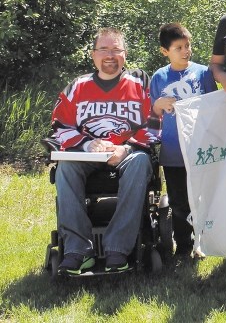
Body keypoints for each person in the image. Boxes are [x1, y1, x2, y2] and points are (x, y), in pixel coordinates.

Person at [48, 28, 160, 275]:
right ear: (93, 55)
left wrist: (127, 148)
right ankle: (78, 251)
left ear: (125, 54)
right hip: (87, 153)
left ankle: (117, 248)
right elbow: (59, 126)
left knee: (141, 162)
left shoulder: (141, 85)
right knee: (65, 168)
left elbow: (154, 122)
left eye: (116, 50)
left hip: (127, 152)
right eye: (104, 50)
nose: (110, 55)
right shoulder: (77, 87)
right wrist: (87, 144)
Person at [150, 23, 217, 258]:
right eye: (178, 47)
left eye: (187, 45)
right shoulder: (159, 77)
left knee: (203, 198)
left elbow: (213, 106)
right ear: (164, 51)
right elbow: (152, 115)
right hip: (173, 152)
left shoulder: (203, 73)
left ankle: (205, 242)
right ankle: (184, 245)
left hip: (201, 150)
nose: (185, 50)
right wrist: (157, 105)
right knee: (179, 202)